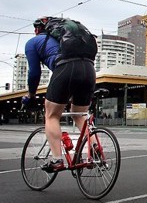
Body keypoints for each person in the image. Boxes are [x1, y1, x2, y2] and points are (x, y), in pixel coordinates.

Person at [23, 17, 96, 172]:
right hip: (89, 68)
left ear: (37, 30)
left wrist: (31, 95)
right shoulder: (68, 40)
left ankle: (56, 160)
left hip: (65, 69)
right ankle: (95, 149)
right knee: (79, 114)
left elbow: (34, 73)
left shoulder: (32, 43)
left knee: (51, 115)